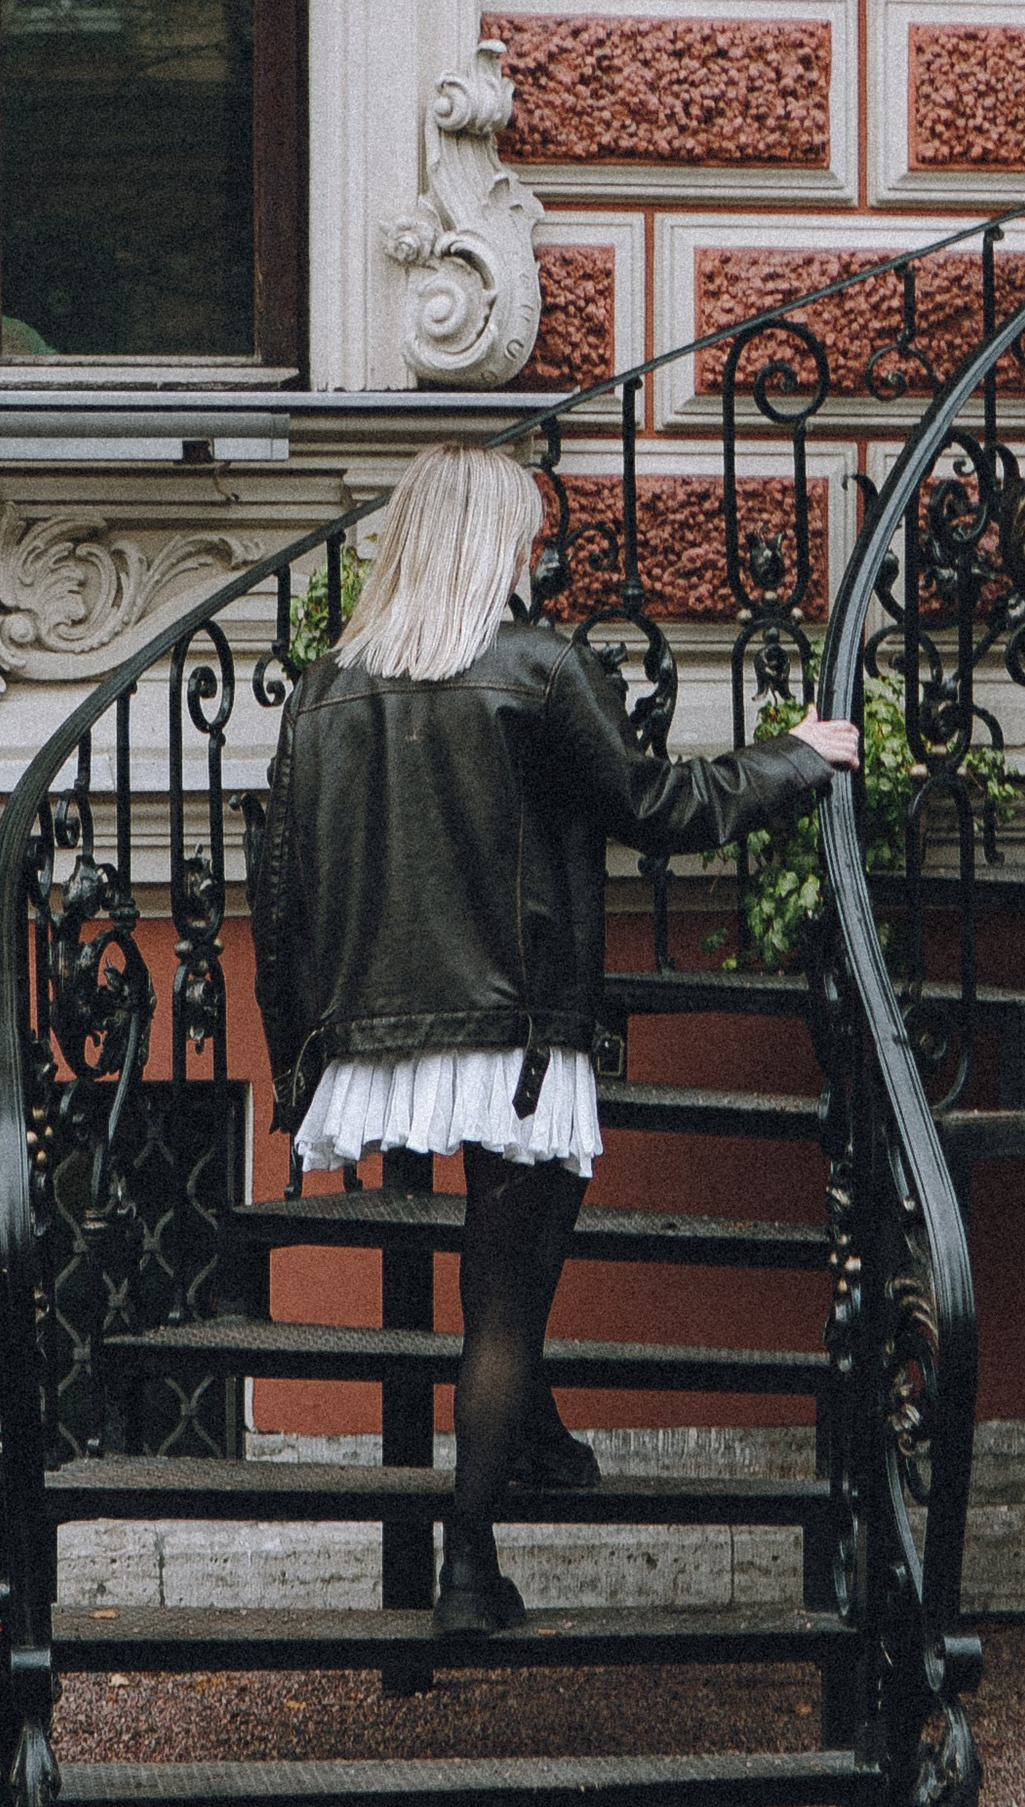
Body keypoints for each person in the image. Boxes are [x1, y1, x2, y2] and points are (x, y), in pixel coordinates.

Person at [250, 444, 860, 1659]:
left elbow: (283, 889)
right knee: (504, 1294)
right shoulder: (537, 669)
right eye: (527, 530)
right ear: (493, 542)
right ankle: (469, 1561)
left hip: (378, 1026)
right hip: (515, 1028)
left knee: (502, 1286)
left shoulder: (324, 689)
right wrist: (801, 757)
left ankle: (533, 1431)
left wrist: (301, 1052)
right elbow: (660, 811)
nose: (538, 549)